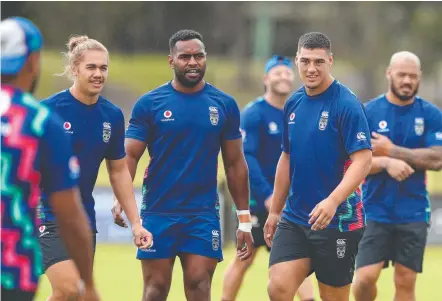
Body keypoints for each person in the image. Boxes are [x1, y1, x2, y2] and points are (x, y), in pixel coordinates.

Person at [117, 29, 253, 301]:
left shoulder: (224, 105)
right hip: (158, 211)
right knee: (155, 290)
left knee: (199, 284)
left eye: (199, 56)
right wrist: (123, 200)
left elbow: (235, 164)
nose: (193, 62)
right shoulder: (149, 104)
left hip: (201, 214)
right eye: (185, 57)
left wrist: (245, 221)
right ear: (171, 61)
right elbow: (128, 157)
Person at [38, 35, 153, 300]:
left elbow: (118, 170)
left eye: (103, 68)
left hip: (83, 220)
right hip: (45, 212)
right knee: (69, 288)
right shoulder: (48, 111)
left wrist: (137, 224)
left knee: (75, 294)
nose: (98, 74)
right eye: (91, 67)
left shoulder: (111, 116)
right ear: (75, 69)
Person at [264, 32, 372, 301]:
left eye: (319, 62)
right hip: (296, 217)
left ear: (330, 61)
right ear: (297, 61)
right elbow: (286, 158)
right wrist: (275, 210)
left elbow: (363, 160)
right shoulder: (293, 102)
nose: (311, 68)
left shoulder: (346, 104)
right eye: (305, 61)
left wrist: (333, 201)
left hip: (338, 222)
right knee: (277, 288)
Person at [1, 17, 99, 301]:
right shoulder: (39, 121)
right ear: (33, 61)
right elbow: (68, 213)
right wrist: (88, 283)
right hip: (12, 269)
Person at [222, 55, 315, 301]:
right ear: (266, 78)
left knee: (296, 259)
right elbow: (247, 159)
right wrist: (268, 195)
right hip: (256, 201)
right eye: (277, 73)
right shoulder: (254, 113)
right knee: (245, 257)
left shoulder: (299, 112)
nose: (283, 77)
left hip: (289, 203)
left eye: (287, 73)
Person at [353, 51, 442, 301]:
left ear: (420, 78)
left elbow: (437, 159)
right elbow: (350, 163)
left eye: (412, 76)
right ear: (389, 73)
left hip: (413, 211)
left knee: (405, 282)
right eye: (401, 74)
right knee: (364, 279)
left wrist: (392, 150)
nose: (407, 80)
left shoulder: (431, 115)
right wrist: (384, 162)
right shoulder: (368, 112)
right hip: (373, 210)